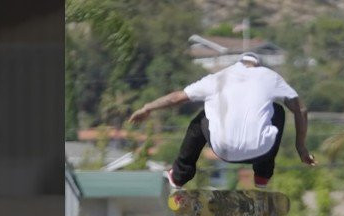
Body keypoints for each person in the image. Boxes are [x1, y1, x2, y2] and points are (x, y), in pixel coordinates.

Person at [128, 52, 317, 190]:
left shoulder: (217, 78)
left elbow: (177, 97)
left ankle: (179, 177)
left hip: (223, 149)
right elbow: (301, 109)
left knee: (200, 119)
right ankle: (262, 176)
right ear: (258, 67)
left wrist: (148, 108)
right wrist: (301, 147)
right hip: (260, 151)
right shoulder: (270, 77)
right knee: (278, 112)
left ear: (238, 65)